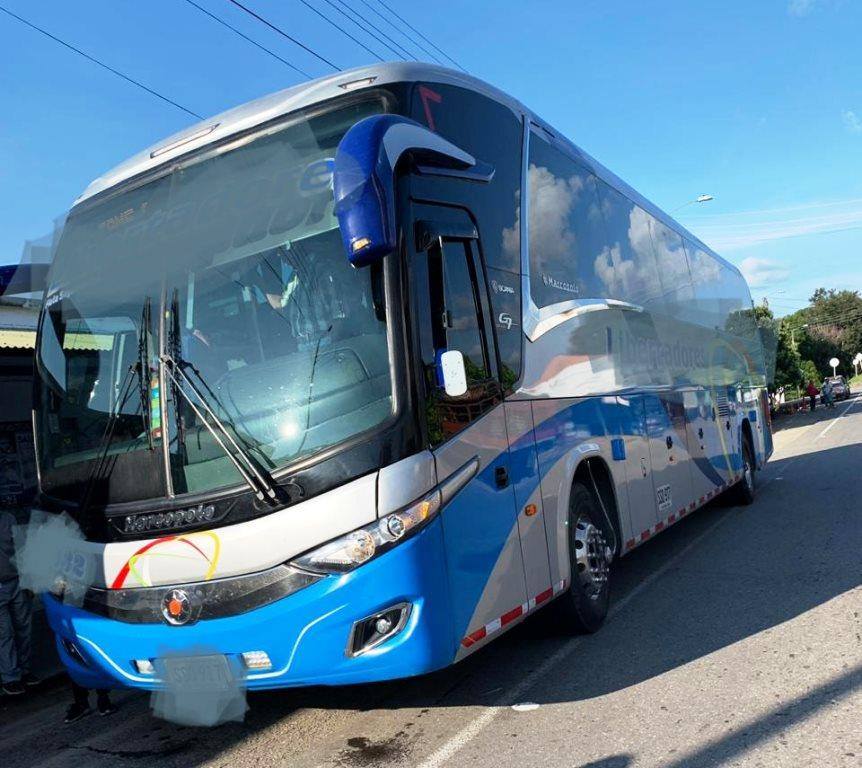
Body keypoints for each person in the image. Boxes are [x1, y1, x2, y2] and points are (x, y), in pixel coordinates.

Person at [0, 510, 37, 696]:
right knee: (4, 633)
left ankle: (25, 671)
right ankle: (10, 678)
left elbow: (21, 550)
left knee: (24, 628)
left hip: (16, 581)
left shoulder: (8, 518)